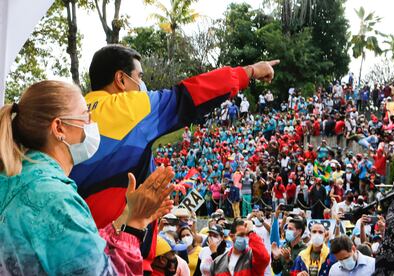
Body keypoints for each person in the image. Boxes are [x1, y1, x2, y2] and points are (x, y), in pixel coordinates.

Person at [69, 44, 279, 274]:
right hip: (113, 256)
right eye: (139, 77)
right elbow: (190, 95)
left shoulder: (67, 118)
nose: (142, 86)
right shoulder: (127, 107)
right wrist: (250, 71)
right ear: (121, 79)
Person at [0, 80, 175, 275]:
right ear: (59, 128)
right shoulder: (55, 199)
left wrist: (126, 216)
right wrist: (135, 225)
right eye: (86, 116)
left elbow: (75, 251)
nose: (93, 124)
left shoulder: (14, 179)